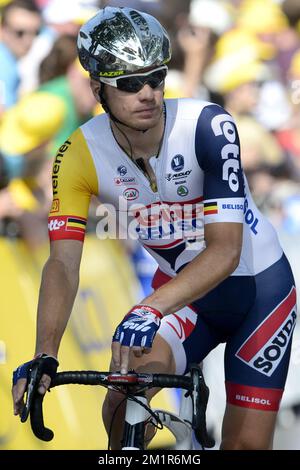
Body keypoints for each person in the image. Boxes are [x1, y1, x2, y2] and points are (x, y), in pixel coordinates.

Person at [12, 7, 297, 450]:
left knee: (245, 448)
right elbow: (63, 263)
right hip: (186, 297)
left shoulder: (207, 125)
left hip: (259, 292)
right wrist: (44, 352)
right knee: (123, 404)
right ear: (97, 88)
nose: (147, 93)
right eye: (128, 83)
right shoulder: (79, 154)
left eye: (156, 78)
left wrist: (151, 308)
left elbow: (224, 251)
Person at [0, 0, 42, 114]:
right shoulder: (5, 66)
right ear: (2, 29)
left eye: (36, 32)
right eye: (20, 32)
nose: (28, 40)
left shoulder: (10, 64)